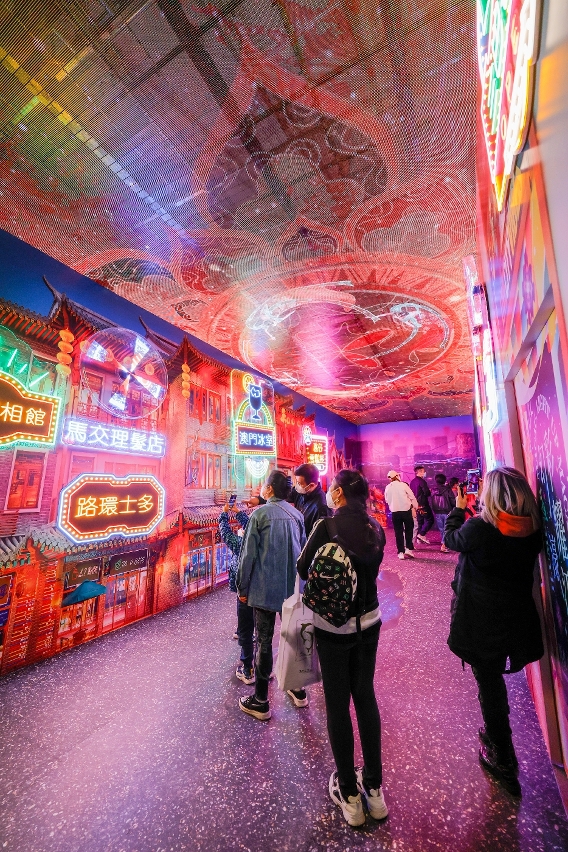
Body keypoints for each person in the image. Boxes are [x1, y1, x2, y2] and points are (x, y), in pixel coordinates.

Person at [444, 467, 543, 797]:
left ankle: (503, 756)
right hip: (515, 617)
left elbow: (450, 538)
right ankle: (498, 740)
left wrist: (458, 508)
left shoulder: (480, 528)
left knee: (489, 684)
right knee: (492, 680)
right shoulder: (531, 528)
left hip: (481, 620)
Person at [297, 469, 388, 827]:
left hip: (333, 628)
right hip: (371, 621)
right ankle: (375, 791)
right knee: (365, 696)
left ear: (337, 494)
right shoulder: (375, 528)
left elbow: (303, 567)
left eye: (333, 488)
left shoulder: (326, 526)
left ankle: (349, 794)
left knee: (337, 705)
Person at [237, 469, 306, 720]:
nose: (262, 489)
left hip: (264, 591)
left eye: (264, 485)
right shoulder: (297, 515)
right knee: (293, 639)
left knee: (263, 642)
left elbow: (247, 557)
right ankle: (298, 690)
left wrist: (242, 588)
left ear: (269, 489)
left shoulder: (260, 515)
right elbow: (304, 553)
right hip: (292, 590)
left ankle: (261, 700)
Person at [218, 503, 255, 685]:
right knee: (262, 630)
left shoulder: (240, 544)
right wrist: (238, 513)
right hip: (261, 590)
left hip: (245, 592)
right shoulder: (260, 541)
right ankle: (264, 668)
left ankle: (248, 669)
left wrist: (224, 514)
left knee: (246, 630)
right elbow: (250, 526)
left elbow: (225, 533)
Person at [247, 462, 331, 538]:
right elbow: (279, 496)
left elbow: (318, 537)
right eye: (296, 482)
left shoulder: (322, 507)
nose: (296, 485)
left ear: (311, 485)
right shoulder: (301, 492)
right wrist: (258, 500)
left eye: (299, 483)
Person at [384, 470, 418, 559]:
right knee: (409, 530)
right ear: (397, 476)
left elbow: (386, 500)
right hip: (406, 510)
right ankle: (408, 549)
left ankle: (400, 552)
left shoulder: (388, 487)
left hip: (395, 512)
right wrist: (415, 507)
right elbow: (412, 497)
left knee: (398, 532)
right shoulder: (403, 485)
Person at [430, 473, 456, 552]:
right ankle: (445, 545)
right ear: (444, 480)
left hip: (437, 512)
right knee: (447, 528)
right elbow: (453, 501)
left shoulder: (433, 490)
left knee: (441, 529)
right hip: (447, 511)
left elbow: (431, 501)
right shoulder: (448, 490)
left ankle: (443, 542)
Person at [410, 464, 434, 544]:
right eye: (423, 471)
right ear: (419, 472)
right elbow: (426, 493)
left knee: (420, 521)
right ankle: (421, 534)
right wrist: (430, 491)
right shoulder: (422, 481)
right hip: (423, 504)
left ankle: (419, 538)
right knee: (430, 520)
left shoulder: (412, 482)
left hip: (416, 505)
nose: (424, 473)